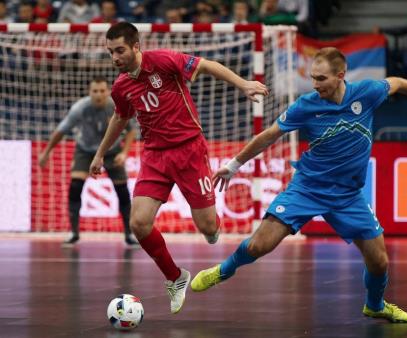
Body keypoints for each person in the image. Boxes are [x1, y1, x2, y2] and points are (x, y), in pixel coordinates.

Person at [191, 47, 407, 323]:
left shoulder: (367, 92)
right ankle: (223, 271)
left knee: (379, 261)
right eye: (313, 78)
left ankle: (375, 305)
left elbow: (399, 83)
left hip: (348, 196)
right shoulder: (306, 105)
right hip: (307, 188)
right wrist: (233, 165)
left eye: (321, 79)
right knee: (258, 246)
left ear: (340, 76)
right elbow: (268, 136)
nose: (315, 84)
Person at [89, 22, 268, 314]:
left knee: (208, 230)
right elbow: (120, 118)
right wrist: (99, 154)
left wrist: (244, 83)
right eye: (110, 52)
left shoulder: (163, 60)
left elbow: (207, 65)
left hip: (189, 151)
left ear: (136, 46)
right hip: (154, 156)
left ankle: (213, 223)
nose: (115, 57)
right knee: (138, 223)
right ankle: (175, 277)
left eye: (120, 50)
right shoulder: (121, 85)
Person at [39, 77, 138, 247]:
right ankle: (74, 233)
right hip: (85, 150)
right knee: (75, 186)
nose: (98, 95)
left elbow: (131, 131)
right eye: (95, 91)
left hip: (111, 151)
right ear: (89, 92)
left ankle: (129, 235)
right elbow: (60, 131)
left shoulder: (116, 106)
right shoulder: (79, 108)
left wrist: (124, 153)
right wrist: (46, 152)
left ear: (108, 92)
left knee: (122, 190)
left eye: (102, 91)